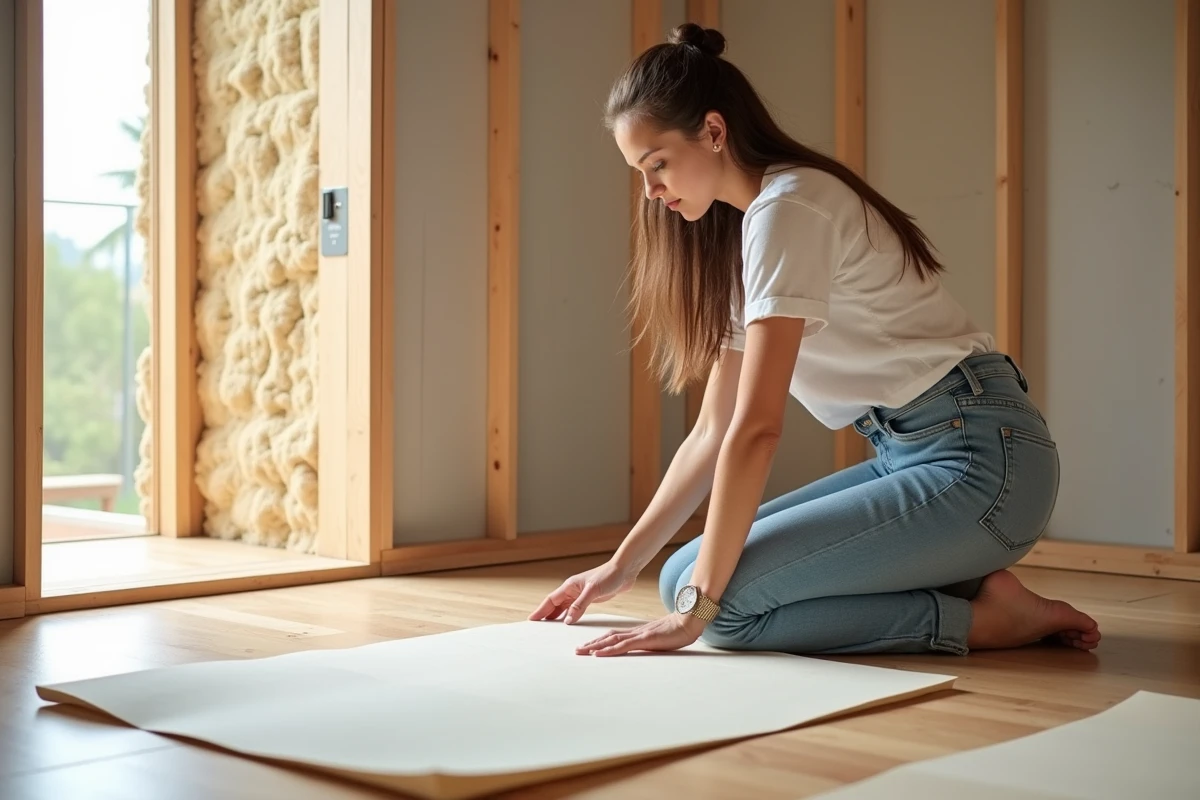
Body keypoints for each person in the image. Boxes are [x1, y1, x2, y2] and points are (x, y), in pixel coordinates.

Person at [528, 23, 1100, 658]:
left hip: (983, 463)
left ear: (714, 132)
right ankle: (967, 585)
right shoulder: (750, 231)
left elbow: (755, 429)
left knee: (721, 612)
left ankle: (986, 622)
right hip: (906, 452)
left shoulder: (789, 209)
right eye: (639, 172)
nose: (651, 192)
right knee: (677, 581)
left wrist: (697, 617)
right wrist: (620, 565)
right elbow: (712, 431)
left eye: (657, 164)